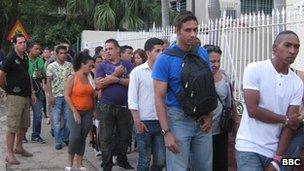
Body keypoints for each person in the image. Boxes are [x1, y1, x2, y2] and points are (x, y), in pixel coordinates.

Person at [152, 11, 213, 171]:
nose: (193, 34)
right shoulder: (164, 59)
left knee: (205, 167)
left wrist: (209, 115)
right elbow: (159, 98)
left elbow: (207, 86)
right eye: (188, 30)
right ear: (177, 30)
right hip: (178, 118)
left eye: (195, 29)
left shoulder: (201, 53)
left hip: (202, 119)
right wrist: (166, 133)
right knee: (178, 167)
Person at [235, 30, 304, 171]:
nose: (292, 51)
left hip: (283, 152)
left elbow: (292, 124)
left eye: (296, 47)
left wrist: (277, 160)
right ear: (274, 48)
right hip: (249, 147)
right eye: (288, 45)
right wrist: (285, 119)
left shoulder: (297, 82)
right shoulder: (254, 69)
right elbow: (253, 111)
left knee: (294, 162)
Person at [95, 39, 134, 170]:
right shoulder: (101, 66)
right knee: (106, 137)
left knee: (124, 136)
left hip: (124, 106)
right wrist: (115, 74)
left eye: (110, 48)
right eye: (106, 49)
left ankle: (122, 160)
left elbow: (131, 83)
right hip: (106, 106)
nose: (107, 51)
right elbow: (98, 85)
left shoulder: (128, 65)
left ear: (118, 49)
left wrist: (115, 79)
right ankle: (107, 164)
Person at [128, 37, 166, 170]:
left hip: (161, 122)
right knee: (144, 160)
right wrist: (137, 121)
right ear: (148, 53)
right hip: (144, 122)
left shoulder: (165, 72)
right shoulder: (137, 72)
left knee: (161, 161)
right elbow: (132, 99)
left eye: (163, 50)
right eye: (157, 50)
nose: (161, 53)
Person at [0, 33, 36, 165]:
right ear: (14, 44)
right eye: (20, 43)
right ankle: (9, 154)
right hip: (14, 97)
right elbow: (1, 75)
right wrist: (6, 89)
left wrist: (32, 92)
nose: (23, 44)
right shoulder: (10, 58)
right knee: (12, 127)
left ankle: (19, 147)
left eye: (24, 42)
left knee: (24, 125)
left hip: (25, 96)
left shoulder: (25, 57)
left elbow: (27, 76)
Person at [204, 45, 236, 171]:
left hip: (221, 128)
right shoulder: (199, 77)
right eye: (212, 61)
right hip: (203, 130)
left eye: (218, 61)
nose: (216, 64)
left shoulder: (225, 76)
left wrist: (235, 119)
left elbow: (231, 100)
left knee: (221, 163)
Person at [64, 52, 95, 171]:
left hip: (88, 111)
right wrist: (74, 111)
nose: (91, 68)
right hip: (74, 110)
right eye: (89, 66)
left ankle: (80, 163)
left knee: (82, 137)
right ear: (82, 64)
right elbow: (67, 95)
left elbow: (92, 94)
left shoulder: (90, 77)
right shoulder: (73, 77)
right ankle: (69, 162)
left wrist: (94, 110)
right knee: (75, 136)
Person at [46, 45, 73, 150]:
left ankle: (65, 137)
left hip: (67, 96)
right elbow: (48, 82)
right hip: (56, 96)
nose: (63, 55)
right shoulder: (51, 66)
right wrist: (50, 96)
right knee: (56, 120)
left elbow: (72, 80)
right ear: (56, 54)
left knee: (67, 119)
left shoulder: (69, 65)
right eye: (61, 53)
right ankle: (58, 141)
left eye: (65, 53)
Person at [28, 42, 46, 143]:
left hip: (37, 90)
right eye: (36, 49)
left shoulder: (40, 61)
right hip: (26, 91)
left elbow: (43, 74)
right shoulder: (25, 60)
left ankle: (36, 135)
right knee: (24, 116)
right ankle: (22, 136)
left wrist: (41, 74)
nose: (38, 51)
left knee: (38, 115)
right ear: (30, 49)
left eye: (39, 49)